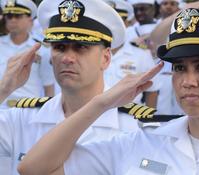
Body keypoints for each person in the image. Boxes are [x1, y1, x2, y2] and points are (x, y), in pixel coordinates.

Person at [18, 8, 199, 175]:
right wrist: (101, 104)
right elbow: (33, 168)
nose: (188, 81)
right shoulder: (143, 142)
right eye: (179, 68)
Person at [0, 0, 157, 174]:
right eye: (60, 47)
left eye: (81, 47)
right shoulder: (24, 118)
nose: (67, 58)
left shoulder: (137, 127)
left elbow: (162, 168)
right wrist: (3, 89)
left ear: (105, 58)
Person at [0, 0, 55, 108]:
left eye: (18, 16)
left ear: (30, 19)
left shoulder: (41, 49)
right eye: (9, 16)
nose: (12, 20)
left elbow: (48, 87)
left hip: (29, 110)